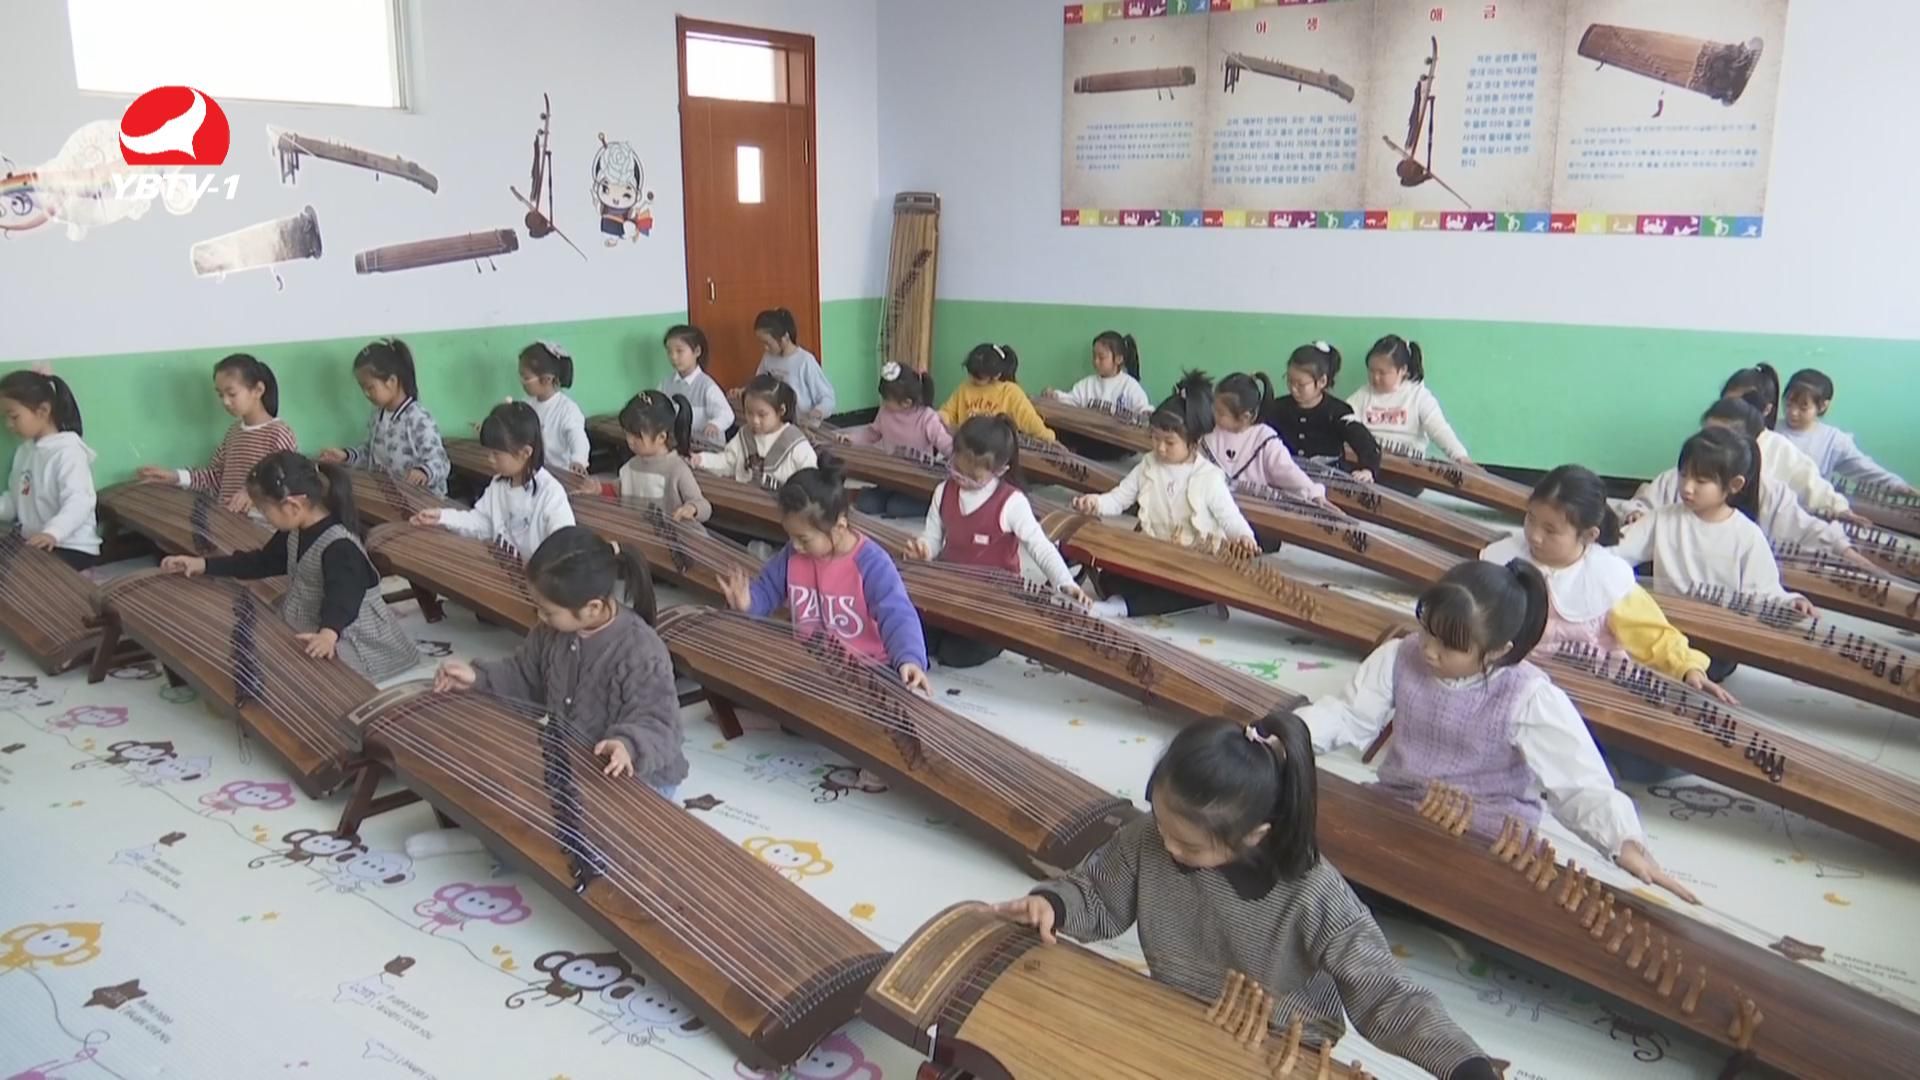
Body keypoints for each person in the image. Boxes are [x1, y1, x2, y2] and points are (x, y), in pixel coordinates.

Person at [994, 713, 1503, 1080]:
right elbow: (1098, 894)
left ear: (1256, 835)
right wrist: (1054, 904)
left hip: (1280, 1050)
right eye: (1161, 823)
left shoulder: (1316, 896)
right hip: (1176, 1017)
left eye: (1189, 844)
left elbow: (1386, 995)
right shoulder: (1151, 837)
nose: (1165, 845)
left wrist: (1463, 1065)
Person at [1299, 560, 1697, 903]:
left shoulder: (1527, 694)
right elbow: (1348, 715)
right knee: (1306, 861)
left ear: (1497, 651)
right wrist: (1293, 737)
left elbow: (1579, 783)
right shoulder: (1400, 656)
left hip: (1484, 829)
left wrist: (1622, 841)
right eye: (1427, 631)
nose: (1430, 650)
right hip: (1398, 805)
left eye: (1450, 646)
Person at [414, 527, 685, 858]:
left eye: (548, 610)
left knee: (577, 837)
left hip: (636, 775)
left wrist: (627, 745)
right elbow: (523, 675)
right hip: (574, 761)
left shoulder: (640, 649)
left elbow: (660, 722)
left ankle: (487, 844)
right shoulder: (551, 632)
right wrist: (477, 677)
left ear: (592, 607)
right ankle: (490, 835)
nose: (540, 616)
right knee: (501, 768)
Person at [1482, 465, 1734, 704]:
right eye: (1531, 518)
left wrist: (1688, 668)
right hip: (1516, 687)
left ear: (1589, 535)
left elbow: (1654, 636)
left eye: (1550, 530)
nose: (1535, 536)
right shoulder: (1503, 558)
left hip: (1589, 696)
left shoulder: (1606, 578)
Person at [160, 453, 420, 681]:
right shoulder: (296, 528)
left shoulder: (340, 546)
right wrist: (203, 564)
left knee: (294, 678)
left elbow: (344, 599)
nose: (263, 516)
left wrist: (328, 634)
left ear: (293, 505)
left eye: (265, 510)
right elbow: (263, 562)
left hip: (351, 637)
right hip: (314, 620)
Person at [719, 458, 929, 692]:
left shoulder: (871, 562)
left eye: (803, 539)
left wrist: (909, 658)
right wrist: (749, 602)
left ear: (839, 528)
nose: (795, 545)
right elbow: (768, 589)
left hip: (869, 667)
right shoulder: (792, 555)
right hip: (814, 662)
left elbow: (897, 613)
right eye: (791, 536)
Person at [906, 415, 1085, 667]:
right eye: (956, 468)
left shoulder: (1011, 502)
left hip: (994, 597)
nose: (961, 478)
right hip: (952, 586)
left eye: (973, 476)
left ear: (999, 471)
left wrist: (1064, 581)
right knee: (918, 636)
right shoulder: (943, 491)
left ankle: (994, 639)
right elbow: (933, 536)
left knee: (953, 654)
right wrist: (924, 549)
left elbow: (1040, 546)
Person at [1074, 372, 1258, 617]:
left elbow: (1229, 517)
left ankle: (1123, 607)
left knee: (1193, 588)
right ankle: (1121, 600)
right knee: (1110, 575)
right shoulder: (1148, 465)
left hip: (1192, 562)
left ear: (1194, 442)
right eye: (1155, 438)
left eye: (1169, 442)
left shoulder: (1209, 477)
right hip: (1153, 553)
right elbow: (1119, 498)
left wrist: (1244, 536)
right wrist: (1095, 502)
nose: (1160, 448)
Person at [1623, 400, 1878, 573]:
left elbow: (1806, 529)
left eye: (1719, 439)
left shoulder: (1762, 507)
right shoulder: (1674, 484)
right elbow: (1640, 509)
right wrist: (1635, 513)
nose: (1706, 445)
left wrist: (1846, 547)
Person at [1612, 428, 1813, 617]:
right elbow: (1615, 551)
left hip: (1719, 629)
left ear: (1734, 485)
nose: (1687, 488)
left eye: (1701, 481)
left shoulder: (1747, 535)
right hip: (1667, 623)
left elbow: (1765, 592)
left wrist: (1791, 602)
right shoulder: (1662, 519)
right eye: (1683, 475)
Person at [411, 402, 574, 562]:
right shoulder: (498, 484)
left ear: (525, 452)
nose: (490, 459)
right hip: (503, 570)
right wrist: (441, 517)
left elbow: (565, 549)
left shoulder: (550, 493)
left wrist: (538, 569)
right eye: (489, 452)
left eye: (496, 454)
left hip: (538, 576)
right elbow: (482, 522)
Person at [137, 353, 297, 515]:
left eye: (232, 394)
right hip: (226, 520)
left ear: (258, 390)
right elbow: (215, 476)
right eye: (221, 395)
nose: (225, 402)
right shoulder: (234, 432)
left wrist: (253, 493)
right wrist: (175, 477)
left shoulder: (278, 433)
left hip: (261, 526)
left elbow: (288, 483)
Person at [317, 338, 450, 495]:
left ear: (392, 381)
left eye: (370, 387)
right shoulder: (377, 416)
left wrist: (424, 472)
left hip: (423, 501)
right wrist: (345, 456)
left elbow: (441, 462)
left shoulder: (418, 419)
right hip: (390, 495)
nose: (366, 394)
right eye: (362, 388)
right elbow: (369, 455)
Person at [0, 367, 99, 568]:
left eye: (14, 416)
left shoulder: (68, 452)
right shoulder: (24, 451)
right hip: (36, 542)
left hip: (69, 545)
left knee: (20, 577)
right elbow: (14, 500)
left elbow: (79, 502)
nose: (8, 425)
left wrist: (53, 532)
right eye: (4, 418)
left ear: (43, 411)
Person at [1780, 368, 1914, 495]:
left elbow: (1864, 468)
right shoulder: (1770, 428)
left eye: (1803, 408)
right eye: (1788, 404)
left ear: (1822, 406)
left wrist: (1898, 485)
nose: (1793, 412)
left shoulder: (1832, 440)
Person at [1263, 342, 1380, 483]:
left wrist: (1368, 469)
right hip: (1285, 479)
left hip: (1328, 481)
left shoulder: (1338, 411)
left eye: (1301, 384)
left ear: (1322, 381)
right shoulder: (1277, 407)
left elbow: (1366, 444)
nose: (1293, 388)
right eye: (1289, 381)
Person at [846, 362, 951, 518]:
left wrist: (960, 459)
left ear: (906, 402)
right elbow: (872, 433)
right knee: (865, 504)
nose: (883, 403)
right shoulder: (885, 412)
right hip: (891, 476)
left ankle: (933, 503)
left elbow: (945, 444)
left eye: (887, 399)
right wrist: (851, 438)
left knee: (895, 508)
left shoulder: (927, 417)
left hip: (916, 482)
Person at [1202, 371, 1324, 503]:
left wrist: (1313, 493)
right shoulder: (1209, 434)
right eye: (1214, 409)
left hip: (1254, 508)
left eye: (1221, 413)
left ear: (1245, 417)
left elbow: (1287, 471)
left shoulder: (1264, 438)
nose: (1214, 415)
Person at [1344, 335, 1469, 462]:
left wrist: (1460, 456)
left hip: (1408, 465)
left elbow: (1439, 430)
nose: (1375, 377)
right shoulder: (1363, 395)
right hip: (1370, 461)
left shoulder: (1418, 396)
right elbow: (1343, 419)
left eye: (1382, 373)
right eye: (1371, 371)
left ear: (1403, 370)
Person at [694, 375, 818, 487]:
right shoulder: (744, 435)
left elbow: (811, 480)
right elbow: (727, 462)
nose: (755, 420)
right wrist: (701, 459)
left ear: (781, 411)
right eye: (749, 413)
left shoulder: (796, 443)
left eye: (762, 415)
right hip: (745, 499)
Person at [1046, 330, 1150, 461]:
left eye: (1101, 357)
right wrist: (1055, 395)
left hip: (1114, 439)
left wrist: (1146, 413)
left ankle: (1078, 452)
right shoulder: (1088, 383)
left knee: (1115, 446)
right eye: (1094, 356)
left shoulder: (1129, 385)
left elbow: (1143, 410)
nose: (1096, 361)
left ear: (1118, 359)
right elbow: (1072, 400)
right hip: (1091, 434)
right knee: (1054, 430)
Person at [613, 391, 710, 522]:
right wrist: (598, 488)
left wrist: (692, 508)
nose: (630, 440)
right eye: (627, 434)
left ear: (661, 437)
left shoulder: (676, 469)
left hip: (672, 534)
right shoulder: (630, 466)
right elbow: (619, 489)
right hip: (639, 531)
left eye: (637, 436)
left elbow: (704, 506)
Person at [938, 343, 1056, 442]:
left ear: (996, 375)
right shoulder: (965, 387)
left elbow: (1030, 422)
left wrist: (1048, 436)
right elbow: (948, 412)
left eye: (978, 377)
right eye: (970, 373)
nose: (971, 378)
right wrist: (940, 418)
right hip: (967, 448)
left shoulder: (1010, 392)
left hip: (997, 453)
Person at [747, 308, 835, 422]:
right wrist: (744, 391)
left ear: (785, 338)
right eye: (762, 343)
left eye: (767, 343)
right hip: (778, 422)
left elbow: (827, 397)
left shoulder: (804, 361)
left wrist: (819, 411)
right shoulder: (768, 358)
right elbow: (759, 384)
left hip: (803, 423)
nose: (765, 348)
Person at [519, 340, 591, 475]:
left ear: (547, 379)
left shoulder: (567, 409)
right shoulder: (526, 404)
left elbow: (578, 438)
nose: (522, 382)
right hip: (533, 471)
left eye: (526, 378)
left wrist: (578, 460)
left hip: (560, 474)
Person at [656, 324, 733, 444]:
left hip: (707, 447)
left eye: (679, 351)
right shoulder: (666, 384)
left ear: (697, 351)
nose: (673, 357)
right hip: (678, 444)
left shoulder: (707, 385)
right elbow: (656, 410)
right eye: (669, 352)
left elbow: (727, 414)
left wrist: (715, 424)